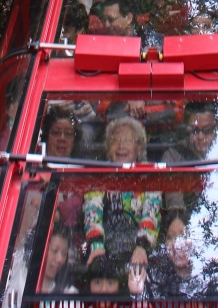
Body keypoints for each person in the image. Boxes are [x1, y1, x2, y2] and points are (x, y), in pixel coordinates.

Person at [84, 119, 162, 280]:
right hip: (104, 249)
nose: (121, 146)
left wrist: (142, 247)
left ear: (139, 147)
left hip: (140, 249)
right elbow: (92, 209)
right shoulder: (98, 175)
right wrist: (97, 246)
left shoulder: (150, 174)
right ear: (108, 147)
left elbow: (151, 210)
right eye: (115, 141)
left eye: (127, 141)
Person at [39, 226, 77, 294]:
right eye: (54, 250)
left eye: (64, 254)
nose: (60, 259)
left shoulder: (69, 293)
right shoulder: (21, 278)